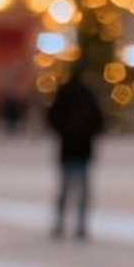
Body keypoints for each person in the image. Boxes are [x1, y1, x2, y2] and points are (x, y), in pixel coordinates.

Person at [46, 73, 105, 240]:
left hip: (69, 148)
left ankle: (62, 224)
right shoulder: (88, 95)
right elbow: (99, 120)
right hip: (82, 149)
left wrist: (65, 132)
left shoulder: (64, 94)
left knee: (66, 189)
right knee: (81, 190)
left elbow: (52, 117)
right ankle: (80, 225)